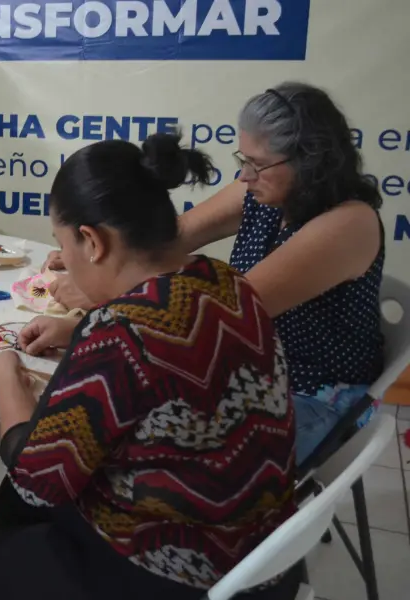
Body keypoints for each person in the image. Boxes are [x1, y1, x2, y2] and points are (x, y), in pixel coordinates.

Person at [0, 133, 298, 600]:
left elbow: (36, 479)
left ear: (92, 241)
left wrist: (7, 377)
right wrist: (80, 330)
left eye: (62, 245)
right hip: (266, 558)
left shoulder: (122, 333)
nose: (62, 260)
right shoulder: (228, 283)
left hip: (178, 574)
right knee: (19, 515)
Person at [47, 82, 385, 466]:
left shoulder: (349, 224)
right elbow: (160, 243)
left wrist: (94, 306)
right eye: (244, 158)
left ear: (310, 162)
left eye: (258, 164)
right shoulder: (266, 192)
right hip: (245, 374)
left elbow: (215, 317)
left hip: (312, 399)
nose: (244, 175)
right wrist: (86, 253)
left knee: (120, 448)